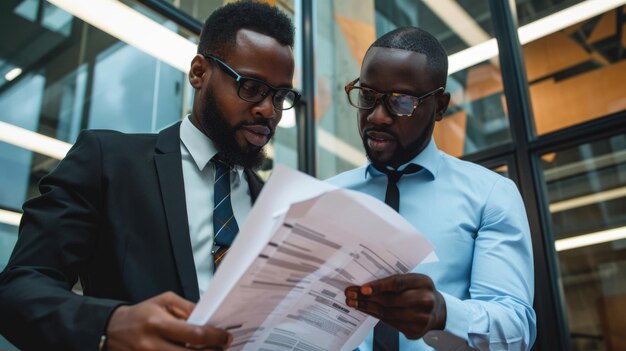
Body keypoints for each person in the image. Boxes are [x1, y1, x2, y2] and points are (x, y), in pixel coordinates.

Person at [0, 2, 299, 350]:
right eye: (250, 87)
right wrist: (109, 325)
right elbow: (18, 289)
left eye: (280, 96)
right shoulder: (108, 161)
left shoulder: (271, 205)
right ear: (199, 72)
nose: (269, 110)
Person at [327, 27, 536, 351]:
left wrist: (443, 313)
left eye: (401, 102)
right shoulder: (326, 197)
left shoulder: (490, 195)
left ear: (440, 106)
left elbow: (516, 329)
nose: (377, 117)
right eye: (368, 96)